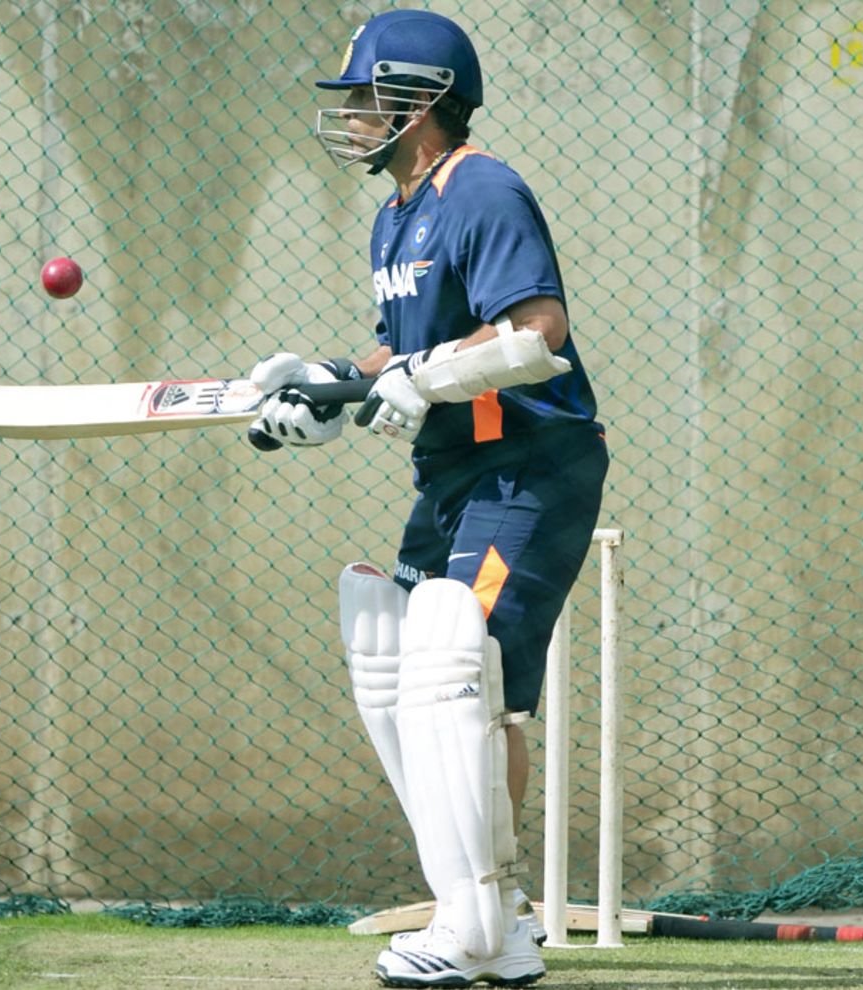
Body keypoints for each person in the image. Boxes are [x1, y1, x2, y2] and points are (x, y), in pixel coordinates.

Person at [248, 9, 608, 988]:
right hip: (452, 475)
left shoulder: (479, 188)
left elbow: (535, 334)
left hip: (527, 464)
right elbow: (392, 348)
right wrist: (324, 385)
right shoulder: (396, 211)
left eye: (368, 95)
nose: (353, 114)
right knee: (415, 670)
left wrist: (425, 373)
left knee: (464, 673)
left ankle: (472, 923)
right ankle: (502, 923)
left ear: (422, 98)